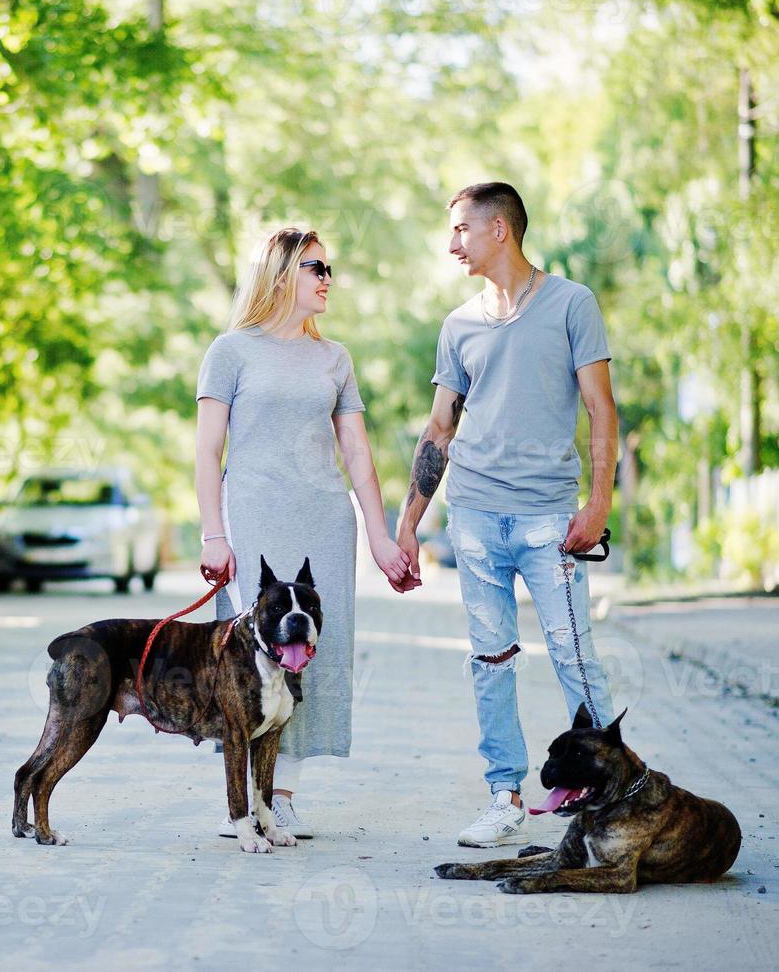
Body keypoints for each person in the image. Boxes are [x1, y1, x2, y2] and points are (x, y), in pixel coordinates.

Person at [395, 181, 619, 848]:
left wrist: (598, 502)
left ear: (500, 230)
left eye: (461, 228)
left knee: (575, 660)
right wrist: (409, 522)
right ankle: (503, 795)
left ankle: (618, 794)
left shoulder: (571, 304)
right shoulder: (457, 324)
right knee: (489, 660)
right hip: (473, 517)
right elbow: (438, 429)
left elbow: (600, 409)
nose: (450, 243)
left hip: (550, 519)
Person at [195, 226, 413, 840]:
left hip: (323, 520)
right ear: (281, 272)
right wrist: (214, 534)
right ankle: (243, 803)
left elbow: (358, 455)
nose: (327, 279)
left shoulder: (334, 358)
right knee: (248, 657)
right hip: (254, 515)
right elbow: (208, 452)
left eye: (329, 269)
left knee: (309, 655)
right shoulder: (230, 350)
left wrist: (380, 536)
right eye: (316, 267)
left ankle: (281, 796)